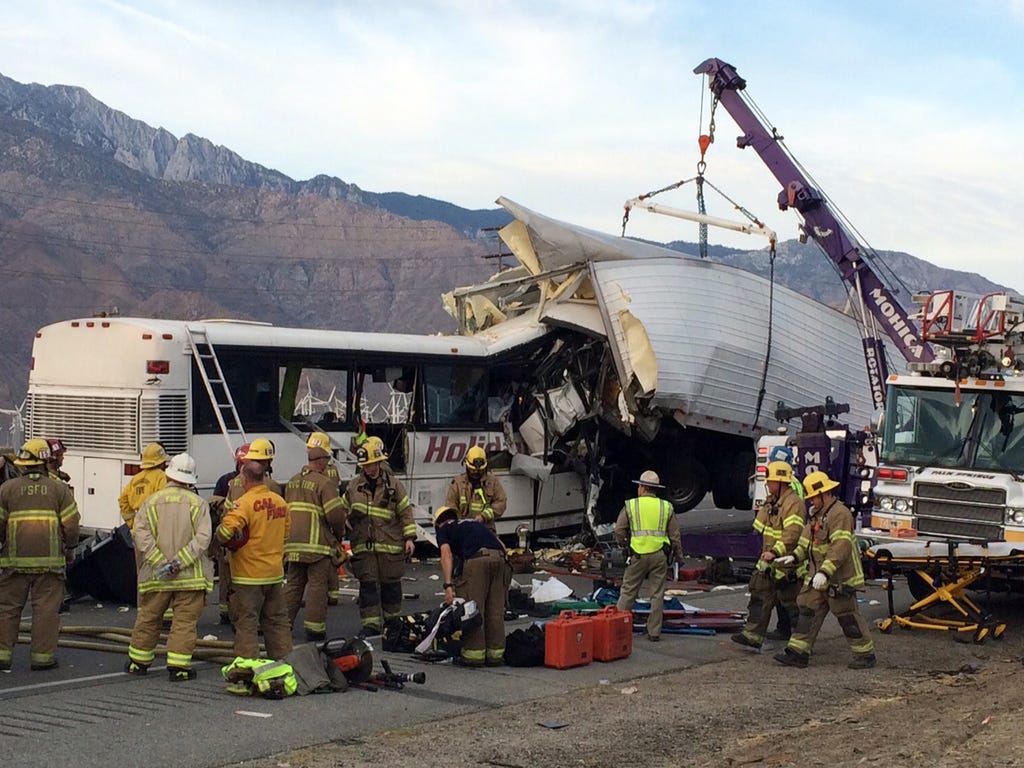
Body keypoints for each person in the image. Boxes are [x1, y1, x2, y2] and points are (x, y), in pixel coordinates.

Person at [775, 470, 877, 670]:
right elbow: (806, 543)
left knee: (847, 615)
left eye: (813, 497)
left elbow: (840, 547)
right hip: (817, 577)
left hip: (839, 578)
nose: (811, 501)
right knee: (807, 612)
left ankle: (865, 654)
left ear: (824, 494)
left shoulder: (840, 514)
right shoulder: (816, 515)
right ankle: (798, 652)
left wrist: (825, 572)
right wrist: (794, 556)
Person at [125, 453, 213, 681]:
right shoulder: (199, 504)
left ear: (169, 475)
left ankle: (138, 662)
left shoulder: (151, 502)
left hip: (158, 575)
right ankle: (179, 667)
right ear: (190, 479)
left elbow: (140, 535)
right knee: (184, 622)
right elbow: (203, 539)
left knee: (149, 617)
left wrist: (161, 562)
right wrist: (179, 561)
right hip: (189, 577)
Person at [0, 438, 80, 671]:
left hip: (13, 563)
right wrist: (70, 549)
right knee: (45, 611)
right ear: (46, 462)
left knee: (7, 609)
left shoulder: (7, 489)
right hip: (50, 565)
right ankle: (42, 659)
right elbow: (72, 525)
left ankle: (3, 656)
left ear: (23, 463)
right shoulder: (58, 489)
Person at [215, 461, 292, 660]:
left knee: (247, 623)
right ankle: (285, 665)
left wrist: (225, 538)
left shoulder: (244, 503)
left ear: (245, 479)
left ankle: (247, 670)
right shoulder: (280, 502)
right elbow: (286, 533)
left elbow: (225, 533)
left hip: (248, 576)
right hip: (274, 574)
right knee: (277, 623)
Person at [341, 440, 415, 637]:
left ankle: (392, 622)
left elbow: (405, 512)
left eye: (372, 464)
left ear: (379, 463)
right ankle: (371, 624)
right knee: (368, 586)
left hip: (390, 544)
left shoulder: (394, 485)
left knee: (391, 586)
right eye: (365, 465)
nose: (369, 469)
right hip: (364, 546)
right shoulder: (354, 486)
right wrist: (345, 520)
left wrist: (409, 538)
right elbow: (342, 508)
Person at [731, 461, 805, 650]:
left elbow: (792, 535)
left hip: (787, 563)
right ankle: (752, 635)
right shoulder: (772, 500)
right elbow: (758, 526)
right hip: (769, 561)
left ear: (781, 482)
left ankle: (801, 642)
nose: (768, 485)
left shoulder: (794, 504)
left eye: (771, 481)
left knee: (791, 603)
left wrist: (774, 552)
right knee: (760, 594)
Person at [284, 433, 347, 641]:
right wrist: (339, 535)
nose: (327, 464)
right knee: (317, 587)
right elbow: (335, 514)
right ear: (320, 461)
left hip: (293, 546)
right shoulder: (324, 483)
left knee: (293, 585)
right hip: (317, 547)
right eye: (326, 460)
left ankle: (283, 626)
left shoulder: (292, 481)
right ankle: (315, 629)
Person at [434, 505, 511, 667]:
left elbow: (446, 555)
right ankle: (495, 655)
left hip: (477, 560)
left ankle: (473, 655)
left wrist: (448, 585)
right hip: (499, 559)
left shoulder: (444, 529)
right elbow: (502, 546)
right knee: (495, 611)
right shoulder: (473, 524)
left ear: (438, 523)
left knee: (473, 609)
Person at [217, 439, 282, 624]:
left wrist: (223, 539)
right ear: (268, 461)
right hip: (262, 552)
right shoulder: (273, 487)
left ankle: (228, 613)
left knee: (230, 582)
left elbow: (226, 512)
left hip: (235, 544)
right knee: (259, 601)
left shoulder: (234, 483)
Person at [614, 470, 684, 642]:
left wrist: (624, 545)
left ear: (643, 488)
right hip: (659, 555)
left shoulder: (631, 505)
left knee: (628, 592)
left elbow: (619, 530)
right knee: (657, 594)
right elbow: (675, 536)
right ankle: (654, 632)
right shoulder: (666, 507)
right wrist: (679, 557)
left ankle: (617, 629)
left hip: (637, 555)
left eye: (639, 485)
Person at [208, 443, 249, 623]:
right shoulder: (226, 481)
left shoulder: (256, 480)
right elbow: (217, 506)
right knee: (226, 577)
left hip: (245, 537)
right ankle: (226, 611)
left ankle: (236, 609)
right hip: (229, 535)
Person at [444, 446, 506, 532]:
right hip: (463, 530)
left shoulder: (492, 482)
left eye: (479, 470)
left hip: (486, 529)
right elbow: (450, 505)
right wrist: (458, 523)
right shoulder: (458, 482)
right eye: (472, 469)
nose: (475, 472)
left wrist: (484, 516)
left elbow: (501, 503)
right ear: (466, 465)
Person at [118, 442, 169, 530]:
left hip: (139, 527)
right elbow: (166, 501)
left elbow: (123, 499)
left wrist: (132, 522)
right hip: (156, 528)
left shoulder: (135, 479)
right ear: (161, 462)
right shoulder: (162, 477)